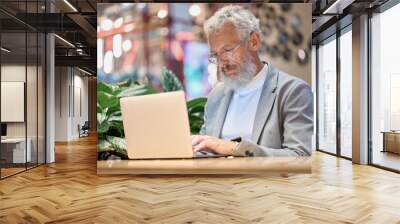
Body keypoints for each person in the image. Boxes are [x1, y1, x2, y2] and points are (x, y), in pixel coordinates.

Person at [191, 5, 313, 157]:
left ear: (254, 42)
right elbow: (205, 151)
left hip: (266, 181)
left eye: (228, 50)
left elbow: (300, 156)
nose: (221, 63)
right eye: (215, 55)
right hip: (217, 181)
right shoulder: (216, 95)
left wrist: (233, 148)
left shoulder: (293, 91)